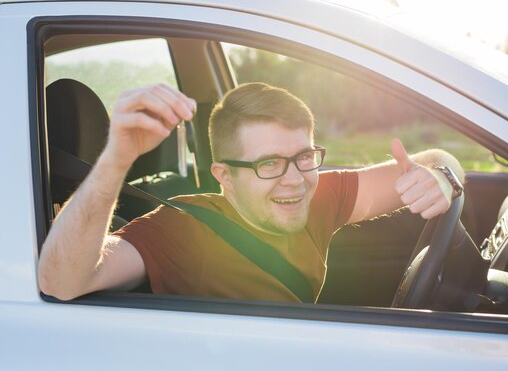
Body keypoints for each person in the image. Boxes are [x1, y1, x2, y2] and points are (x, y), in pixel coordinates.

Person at [38, 82, 464, 302]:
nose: (294, 179)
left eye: (303, 155)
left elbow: (432, 159)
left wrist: (443, 177)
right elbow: (61, 281)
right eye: (268, 164)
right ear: (224, 175)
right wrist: (115, 160)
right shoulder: (180, 228)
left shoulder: (316, 196)